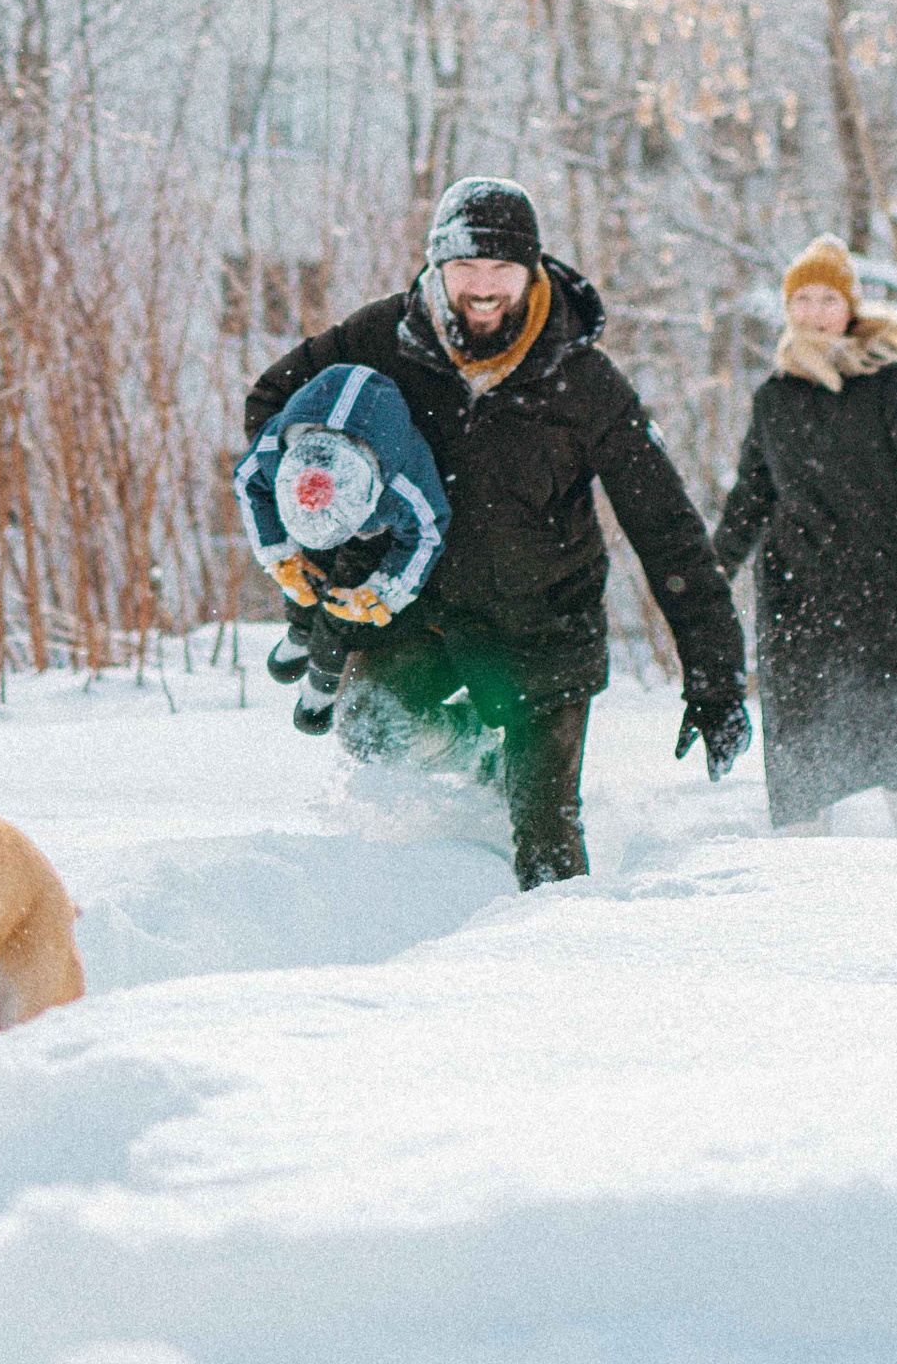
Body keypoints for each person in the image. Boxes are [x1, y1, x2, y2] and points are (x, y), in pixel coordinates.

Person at [239, 175, 752, 888]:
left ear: (532, 270)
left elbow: (664, 526)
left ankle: (555, 971)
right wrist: (327, 506)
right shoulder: (380, 339)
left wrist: (715, 674)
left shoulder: (584, 380)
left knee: (545, 840)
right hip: (421, 613)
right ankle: (478, 760)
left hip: (544, 628)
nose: (483, 286)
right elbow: (272, 403)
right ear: (437, 268)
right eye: (465, 267)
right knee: (372, 728)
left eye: (502, 268)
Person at [713, 234, 897, 839]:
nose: (815, 311)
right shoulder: (774, 399)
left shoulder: (887, 386)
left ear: (850, 309)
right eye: (804, 299)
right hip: (798, 599)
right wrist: (711, 571)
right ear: (789, 308)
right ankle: (802, 881)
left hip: (883, 592)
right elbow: (752, 494)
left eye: (828, 299)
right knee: (798, 745)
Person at [232, 358, 452, 729]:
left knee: (344, 597)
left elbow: (428, 532)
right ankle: (301, 630)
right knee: (306, 571)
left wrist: (384, 592)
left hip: (374, 526)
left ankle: (322, 680)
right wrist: (279, 555)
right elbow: (246, 483)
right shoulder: (273, 453)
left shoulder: (403, 485)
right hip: (314, 498)